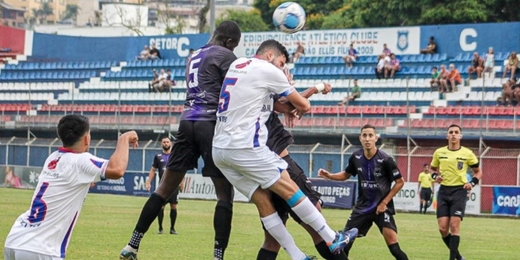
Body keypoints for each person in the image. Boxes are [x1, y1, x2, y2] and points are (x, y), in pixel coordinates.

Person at [212, 39, 358, 260]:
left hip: (220, 149)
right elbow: (303, 106)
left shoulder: (239, 65)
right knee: (291, 188)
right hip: (245, 147)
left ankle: (297, 255)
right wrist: (293, 84)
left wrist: (307, 89)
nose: (282, 69)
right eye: (281, 63)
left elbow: (281, 106)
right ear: (271, 56)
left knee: (263, 201)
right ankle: (332, 237)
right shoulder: (268, 70)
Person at [120, 20, 242, 260]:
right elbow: (235, 90)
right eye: (233, 46)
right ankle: (218, 257)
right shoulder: (225, 56)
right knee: (225, 195)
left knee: (164, 188)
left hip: (186, 122)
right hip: (210, 124)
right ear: (228, 42)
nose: (233, 51)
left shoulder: (194, 55)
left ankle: (132, 245)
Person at [4, 115, 139, 260]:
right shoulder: (80, 160)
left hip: (15, 239)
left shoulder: (53, 157)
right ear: (86, 139)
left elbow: (76, 179)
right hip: (42, 249)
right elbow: (117, 169)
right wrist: (124, 138)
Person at [258, 81, 349, 260]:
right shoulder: (265, 81)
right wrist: (318, 87)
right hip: (281, 164)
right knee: (319, 228)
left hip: (259, 168)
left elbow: (283, 105)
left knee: (272, 240)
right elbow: (292, 102)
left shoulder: (243, 94)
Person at [318, 124, 408, 260]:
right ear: (360, 138)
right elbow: (346, 175)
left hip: (381, 209)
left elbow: (400, 182)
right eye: (364, 135)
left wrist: (384, 202)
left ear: (376, 138)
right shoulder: (356, 157)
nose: (367, 139)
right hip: (362, 208)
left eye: (370, 135)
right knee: (343, 245)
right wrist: (330, 176)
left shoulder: (385, 159)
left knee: (394, 248)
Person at [430, 124, 482, 260]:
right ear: (447, 136)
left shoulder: (467, 153)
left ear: (460, 136)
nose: (453, 134)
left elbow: (478, 172)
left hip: (459, 190)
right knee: (442, 229)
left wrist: (472, 183)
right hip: (443, 191)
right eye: (451, 132)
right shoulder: (439, 152)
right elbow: (432, 169)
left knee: (454, 226)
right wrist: (436, 177)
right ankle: (459, 257)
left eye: (456, 132)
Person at [144, 137, 184, 234]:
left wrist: (182, 182)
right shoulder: (158, 156)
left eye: (167, 142)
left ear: (171, 144)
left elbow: (181, 169)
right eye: (164, 142)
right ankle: (160, 228)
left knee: (174, 206)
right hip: (162, 185)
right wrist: (148, 182)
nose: (166, 143)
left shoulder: (175, 156)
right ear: (161, 144)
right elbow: (153, 170)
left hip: (174, 186)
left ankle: (172, 228)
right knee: (160, 207)